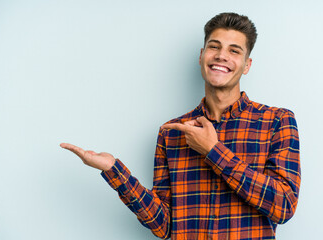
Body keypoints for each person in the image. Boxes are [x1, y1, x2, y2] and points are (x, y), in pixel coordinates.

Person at [61, 12, 301, 240]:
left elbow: (284, 206)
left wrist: (213, 151)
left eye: (234, 50)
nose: (221, 55)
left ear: (246, 65)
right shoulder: (172, 132)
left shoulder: (277, 121)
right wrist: (114, 170)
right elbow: (164, 226)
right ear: (201, 55)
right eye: (214, 46)